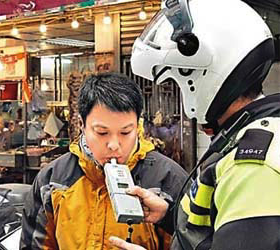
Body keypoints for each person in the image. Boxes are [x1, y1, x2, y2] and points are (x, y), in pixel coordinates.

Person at [111, 0, 280, 249]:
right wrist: (169, 215)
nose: (181, 96)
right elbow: (219, 226)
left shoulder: (254, 167)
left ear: (204, 76)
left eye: (179, 83)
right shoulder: (241, 136)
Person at [20, 72, 188, 250]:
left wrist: (167, 217)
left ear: (137, 126)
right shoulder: (52, 181)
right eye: (102, 132)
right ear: (82, 126)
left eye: (125, 132)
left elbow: (198, 241)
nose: (114, 145)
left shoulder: (170, 180)